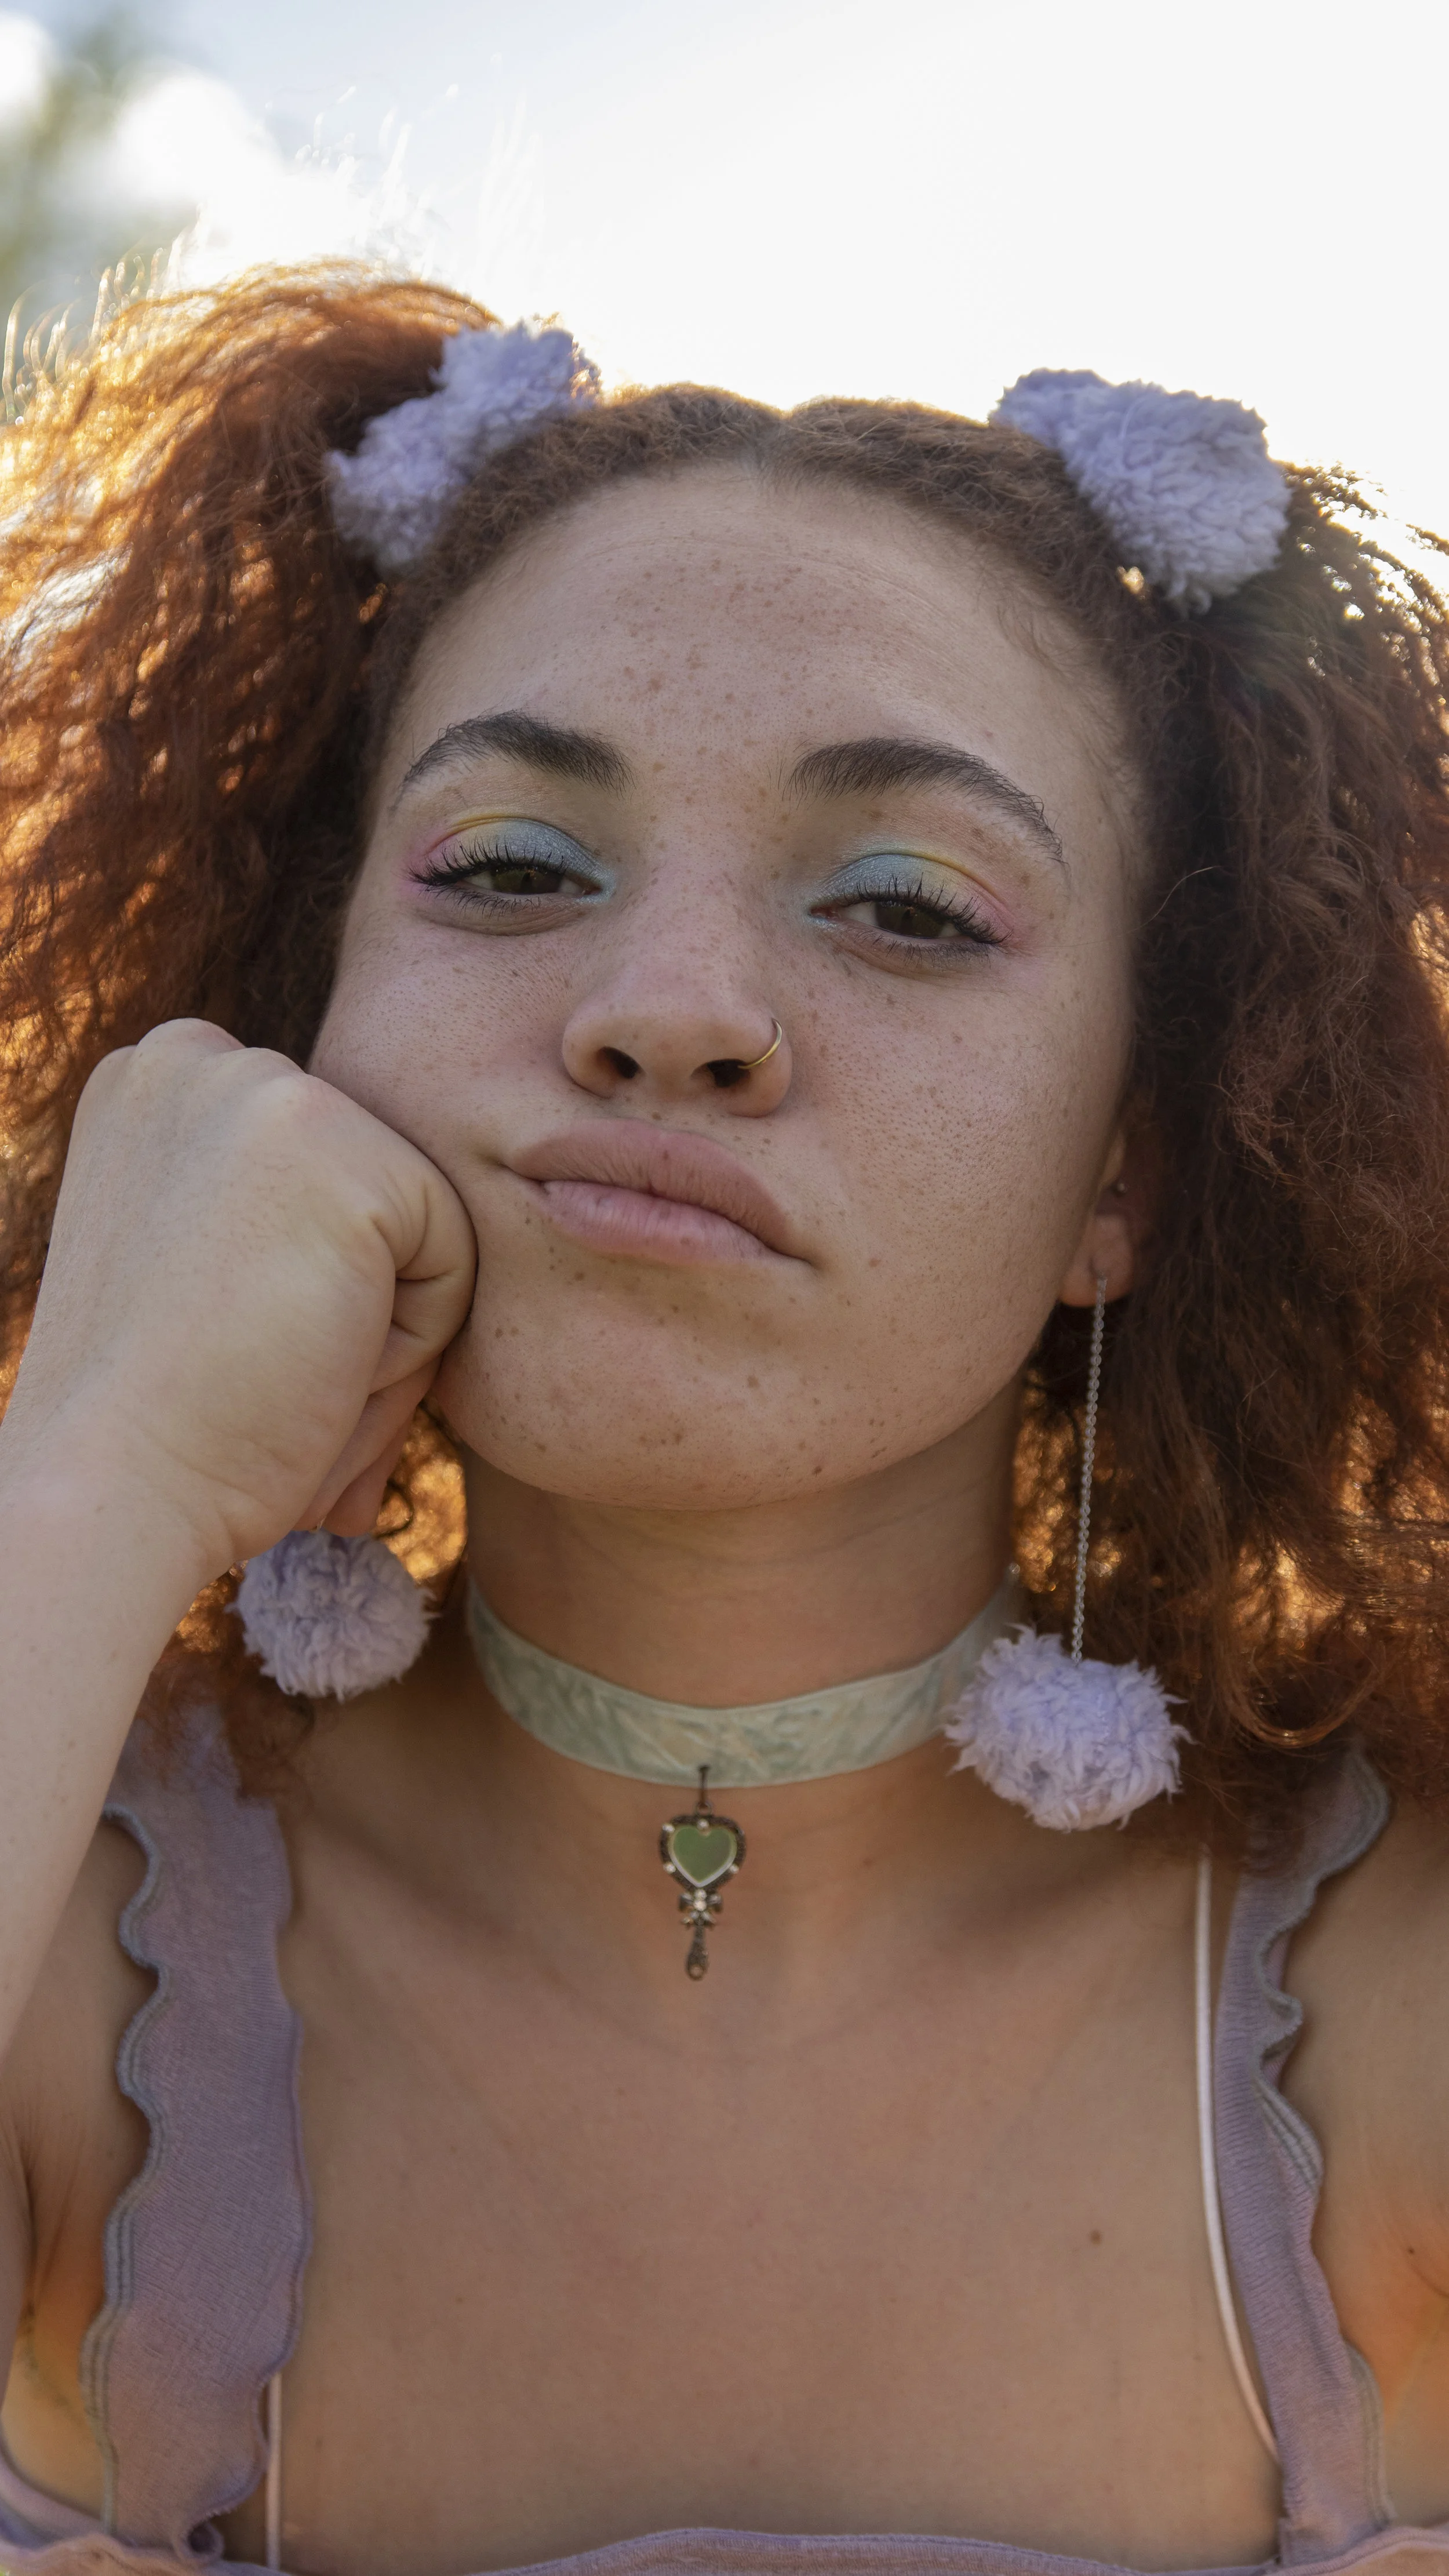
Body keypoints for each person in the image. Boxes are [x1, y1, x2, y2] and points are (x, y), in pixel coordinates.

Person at [1, 266, 1448, 2576]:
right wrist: (88, 1472)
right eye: (508, 871)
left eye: (900, 907)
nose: (667, 1017)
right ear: (295, 1025)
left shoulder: (1394, 1980)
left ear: (1128, 1164)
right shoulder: (67, 1942)